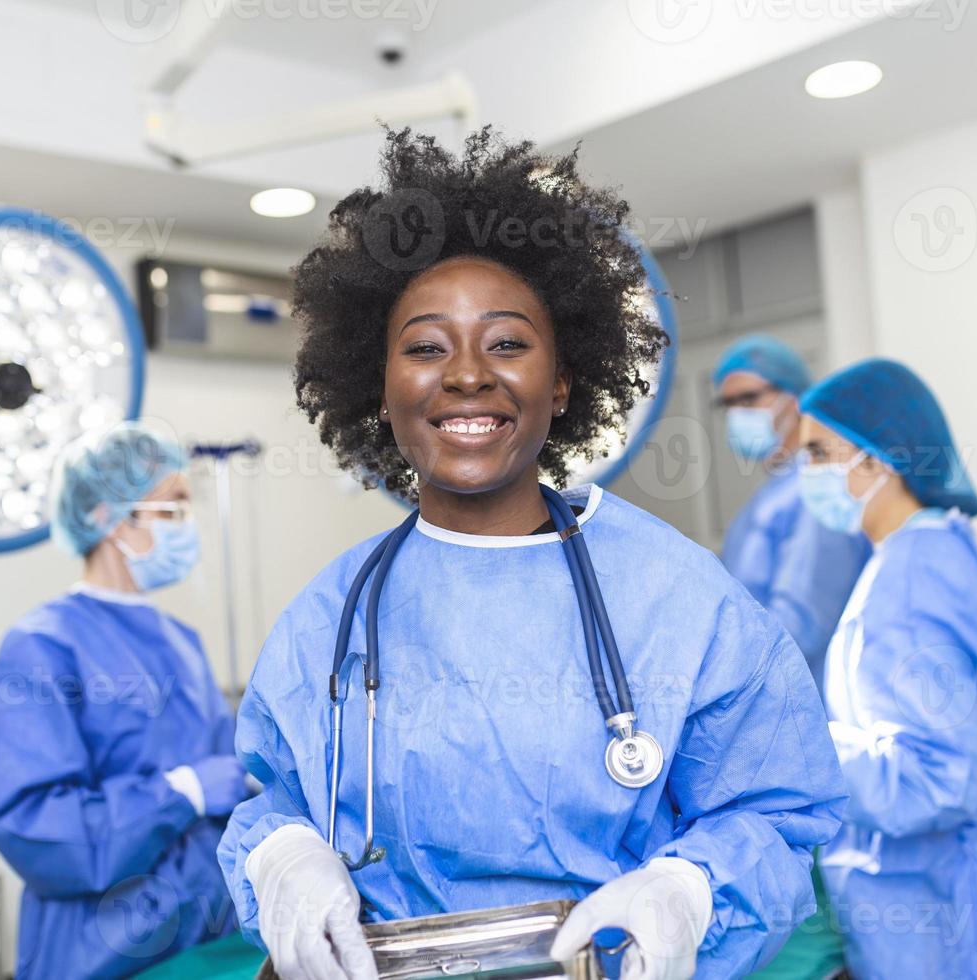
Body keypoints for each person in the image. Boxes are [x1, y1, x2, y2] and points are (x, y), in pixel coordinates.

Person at [217, 127, 847, 980]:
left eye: (507, 343)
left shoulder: (675, 597)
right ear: (381, 386)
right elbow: (272, 799)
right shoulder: (332, 616)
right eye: (426, 347)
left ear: (562, 381)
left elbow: (775, 811)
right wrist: (284, 857)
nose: (468, 374)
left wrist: (689, 888)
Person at [0, 423, 251, 980]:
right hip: (102, 953)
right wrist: (179, 792)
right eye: (171, 509)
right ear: (106, 517)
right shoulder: (42, 647)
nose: (186, 527)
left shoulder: (180, 641)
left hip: (206, 936)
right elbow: (37, 827)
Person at [795, 358, 977, 979]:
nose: (803, 473)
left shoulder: (913, 582)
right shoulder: (945, 551)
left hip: (938, 914)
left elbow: (933, 781)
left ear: (876, 460)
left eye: (816, 453)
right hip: (947, 896)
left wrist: (797, 746)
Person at [713, 336, 871, 689]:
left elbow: (803, 624)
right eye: (729, 404)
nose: (738, 414)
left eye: (749, 399)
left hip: (802, 698)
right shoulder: (775, 492)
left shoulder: (815, 491)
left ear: (795, 399)